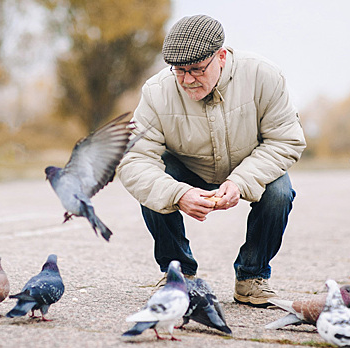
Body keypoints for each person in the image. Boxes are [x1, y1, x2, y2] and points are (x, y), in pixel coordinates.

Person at [116, 14, 306, 307]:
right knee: (153, 183)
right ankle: (177, 275)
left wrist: (241, 181)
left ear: (221, 56)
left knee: (280, 192)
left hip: (249, 164)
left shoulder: (264, 76)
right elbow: (134, 160)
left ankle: (252, 278)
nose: (188, 80)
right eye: (179, 71)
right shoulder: (156, 92)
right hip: (186, 167)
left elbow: (286, 140)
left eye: (196, 69)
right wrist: (177, 193)